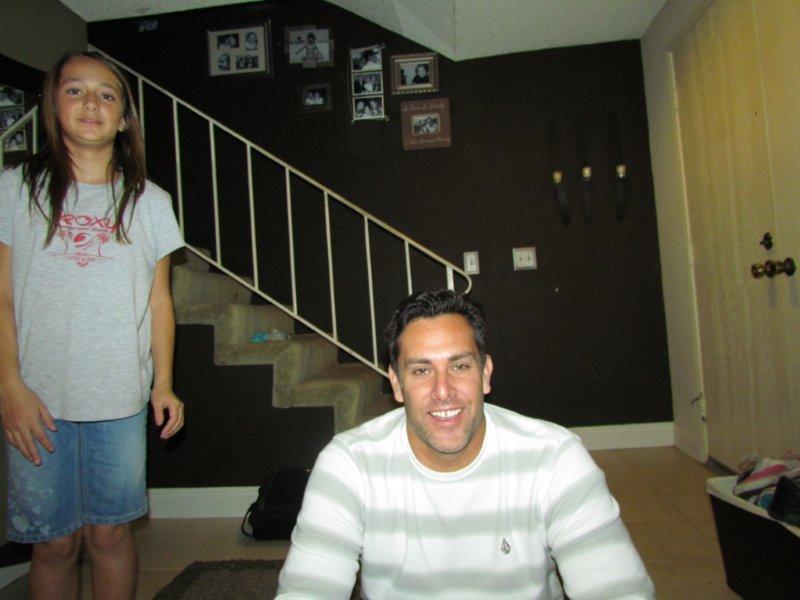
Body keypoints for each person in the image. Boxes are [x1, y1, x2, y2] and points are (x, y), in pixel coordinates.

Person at [277, 290, 655, 599]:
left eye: (459, 366)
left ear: (485, 374)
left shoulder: (554, 457)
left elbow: (618, 589)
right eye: (421, 370)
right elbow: (308, 590)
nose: (443, 391)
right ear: (396, 384)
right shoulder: (349, 464)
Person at [0, 51, 185, 599]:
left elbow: (159, 302)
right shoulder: (14, 188)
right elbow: (2, 294)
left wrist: (164, 384)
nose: (90, 104)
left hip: (120, 399)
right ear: (53, 105)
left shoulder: (151, 202)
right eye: (75, 90)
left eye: (107, 95)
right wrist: (8, 385)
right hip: (37, 400)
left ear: (124, 118)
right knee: (54, 544)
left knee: (110, 534)